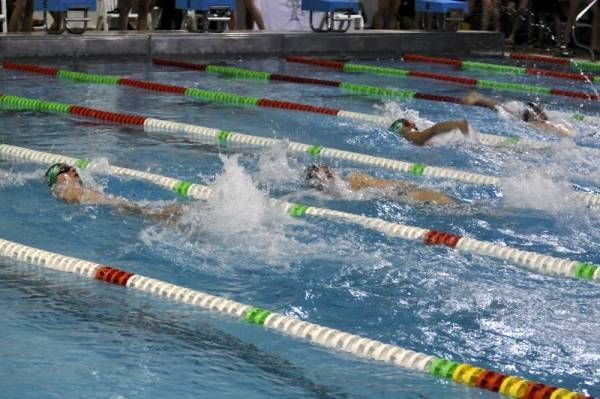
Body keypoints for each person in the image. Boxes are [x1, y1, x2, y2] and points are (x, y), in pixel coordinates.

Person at [45, 163, 183, 221]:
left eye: (71, 167)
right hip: (113, 208)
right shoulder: (66, 190)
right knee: (161, 214)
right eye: (65, 170)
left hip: (113, 207)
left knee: (161, 212)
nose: (72, 169)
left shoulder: (74, 187)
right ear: (56, 178)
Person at [304, 164, 457, 205]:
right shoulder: (352, 182)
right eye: (325, 171)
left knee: (453, 206)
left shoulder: (353, 181)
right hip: (406, 194)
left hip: (405, 194)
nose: (329, 170)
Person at [463, 91, 574, 137]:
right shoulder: (548, 124)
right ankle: (478, 98)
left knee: (502, 108)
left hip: (526, 117)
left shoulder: (544, 123)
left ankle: (478, 99)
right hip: (528, 118)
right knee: (502, 109)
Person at [389, 118, 471, 146]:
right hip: (415, 139)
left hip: (416, 141)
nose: (414, 123)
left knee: (432, 131)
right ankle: (457, 124)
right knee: (432, 131)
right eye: (409, 122)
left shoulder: (408, 134)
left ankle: (457, 124)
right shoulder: (408, 133)